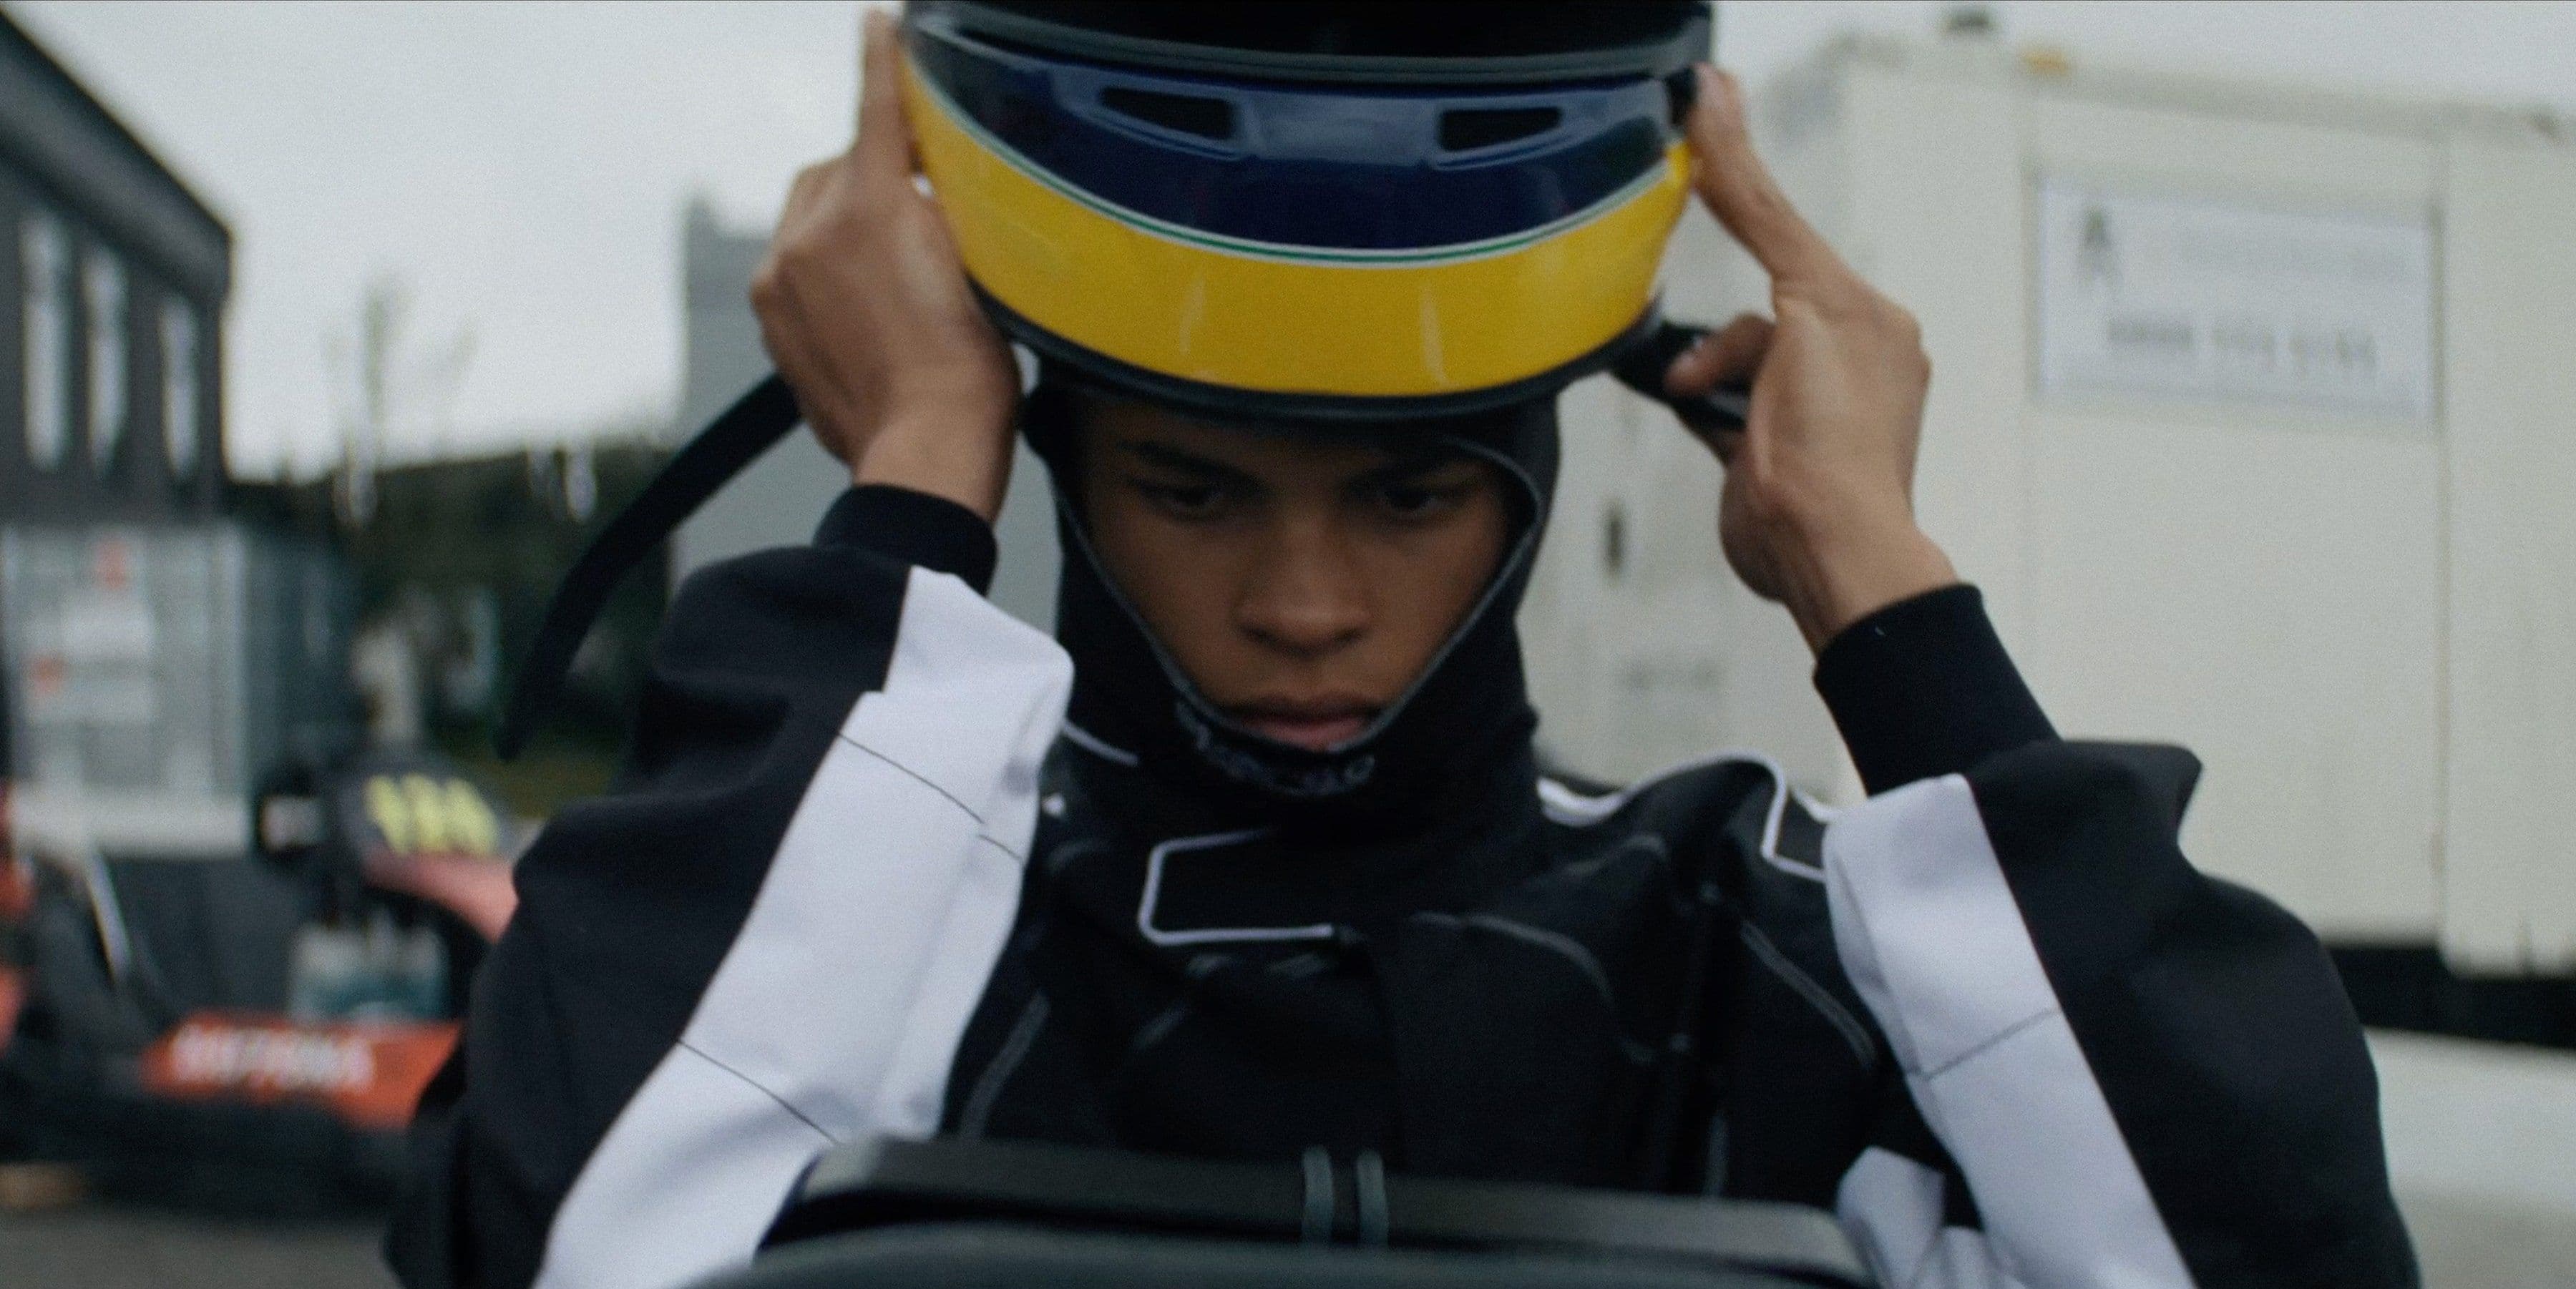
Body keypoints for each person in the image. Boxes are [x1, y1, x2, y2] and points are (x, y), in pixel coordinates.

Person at [389, 9, 2416, 1289]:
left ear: (1531, 486)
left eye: (1409, 496)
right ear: (1059, 466)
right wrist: (919, 473)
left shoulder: (1757, 946)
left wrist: (1879, 580)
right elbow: (533, 1234)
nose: (1303, 604)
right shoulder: (897, 911)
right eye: (1190, 492)